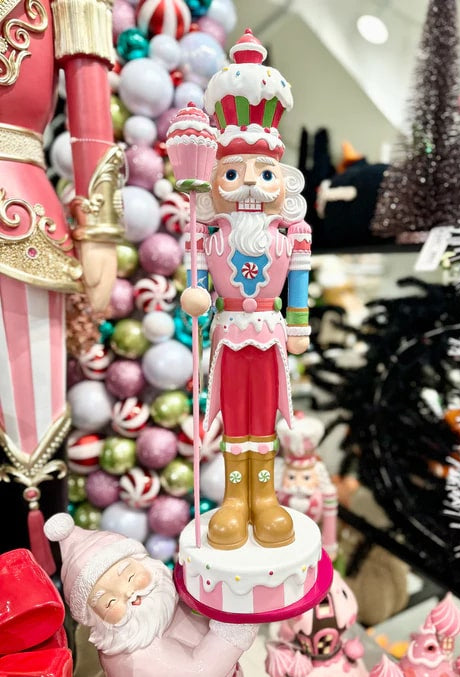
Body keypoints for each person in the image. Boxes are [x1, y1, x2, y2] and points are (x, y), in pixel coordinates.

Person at [0, 0, 123, 565]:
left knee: (29, 434)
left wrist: (99, 229)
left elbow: (88, 89)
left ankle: (34, 591)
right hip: (24, 219)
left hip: (22, 224)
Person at [180, 29, 312, 551]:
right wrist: (195, 296)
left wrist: (298, 325)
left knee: (267, 414)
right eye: (233, 173)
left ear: (284, 180)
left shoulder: (291, 234)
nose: (251, 184)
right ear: (214, 180)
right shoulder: (207, 233)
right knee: (234, 413)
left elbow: (297, 283)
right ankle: (236, 498)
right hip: (229, 330)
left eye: (264, 173)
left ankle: (266, 496)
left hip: (271, 331)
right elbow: (196, 286)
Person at [44, 512, 257, 677]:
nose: (129, 594)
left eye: (130, 577)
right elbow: (200, 671)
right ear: (95, 617)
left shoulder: (165, 598)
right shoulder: (134, 656)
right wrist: (238, 619)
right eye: (110, 602)